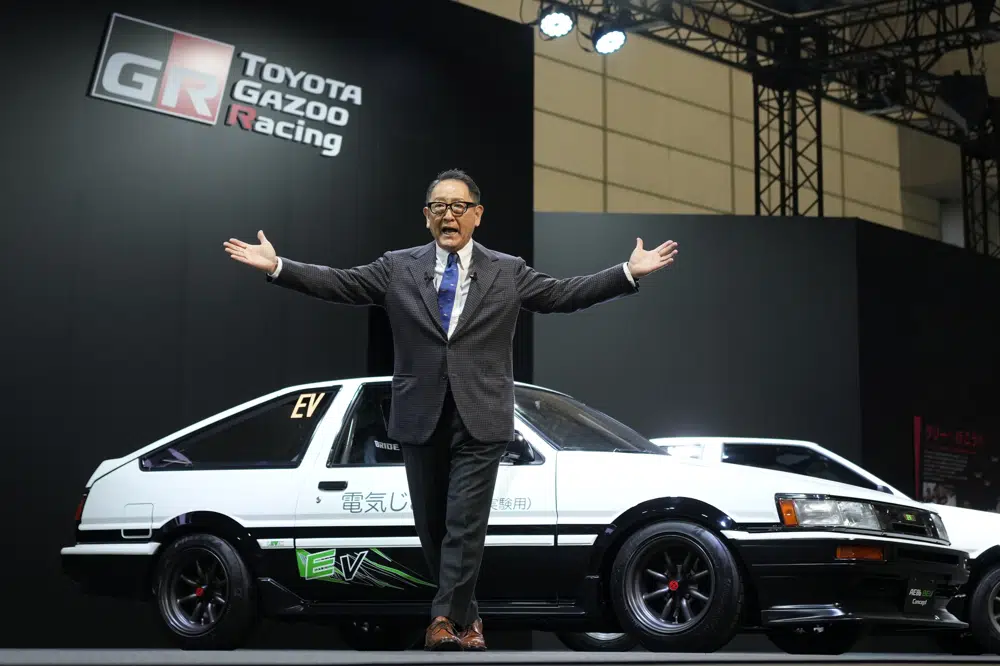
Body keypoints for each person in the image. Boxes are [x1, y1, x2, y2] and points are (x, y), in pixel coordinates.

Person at [223, 169, 678, 651]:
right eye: (439, 206)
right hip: (420, 415)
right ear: (426, 217)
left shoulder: (507, 270)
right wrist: (278, 267)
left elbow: (562, 295)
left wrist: (627, 273)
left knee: (464, 524)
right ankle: (470, 620)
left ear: (477, 215)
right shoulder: (397, 267)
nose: (449, 215)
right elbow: (340, 283)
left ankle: (441, 621)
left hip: (481, 418)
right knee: (434, 530)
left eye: (459, 206)